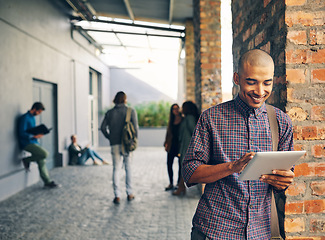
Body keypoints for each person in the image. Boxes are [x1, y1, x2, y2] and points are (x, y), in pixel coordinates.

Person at [182, 49, 294, 239]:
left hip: (261, 232)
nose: (260, 91)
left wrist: (283, 181)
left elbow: (282, 180)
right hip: (214, 230)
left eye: (267, 83)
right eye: (251, 82)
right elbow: (189, 173)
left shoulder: (281, 122)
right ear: (237, 78)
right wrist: (233, 167)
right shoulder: (211, 118)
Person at [100, 91, 138, 204]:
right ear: (125, 99)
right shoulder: (130, 111)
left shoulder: (109, 113)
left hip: (114, 144)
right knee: (128, 168)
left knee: (116, 169)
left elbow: (102, 128)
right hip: (127, 144)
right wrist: (134, 142)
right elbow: (135, 129)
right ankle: (129, 193)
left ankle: (117, 195)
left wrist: (110, 137)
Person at [18, 102, 60, 188]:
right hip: (26, 143)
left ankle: (47, 182)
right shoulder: (25, 118)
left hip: (34, 142)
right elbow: (21, 133)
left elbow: (32, 130)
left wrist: (39, 134)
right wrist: (33, 136)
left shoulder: (32, 118)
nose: (39, 114)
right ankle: (26, 160)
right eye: (39, 112)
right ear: (34, 109)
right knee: (44, 154)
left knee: (42, 160)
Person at [172, 101, 200, 196]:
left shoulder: (189, 118)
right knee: (183, 167)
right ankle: (181, 187)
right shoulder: (186, 118)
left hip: (188, 147)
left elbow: (194, 132)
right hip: (185, 146)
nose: (181, 109)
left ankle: (181, 187)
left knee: (184, 168)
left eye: (183, 107)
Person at [163, 104, 183, 191]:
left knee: (180, 165)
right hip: (172, 145)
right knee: (169, 164)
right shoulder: (171, 121)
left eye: (177, 108)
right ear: (172, 110)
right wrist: (166, 142)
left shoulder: (183, 120)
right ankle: (171, 183)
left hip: (179, 145)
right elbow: (168, 132)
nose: (176, 110)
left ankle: (179, 184)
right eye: (174, 109)